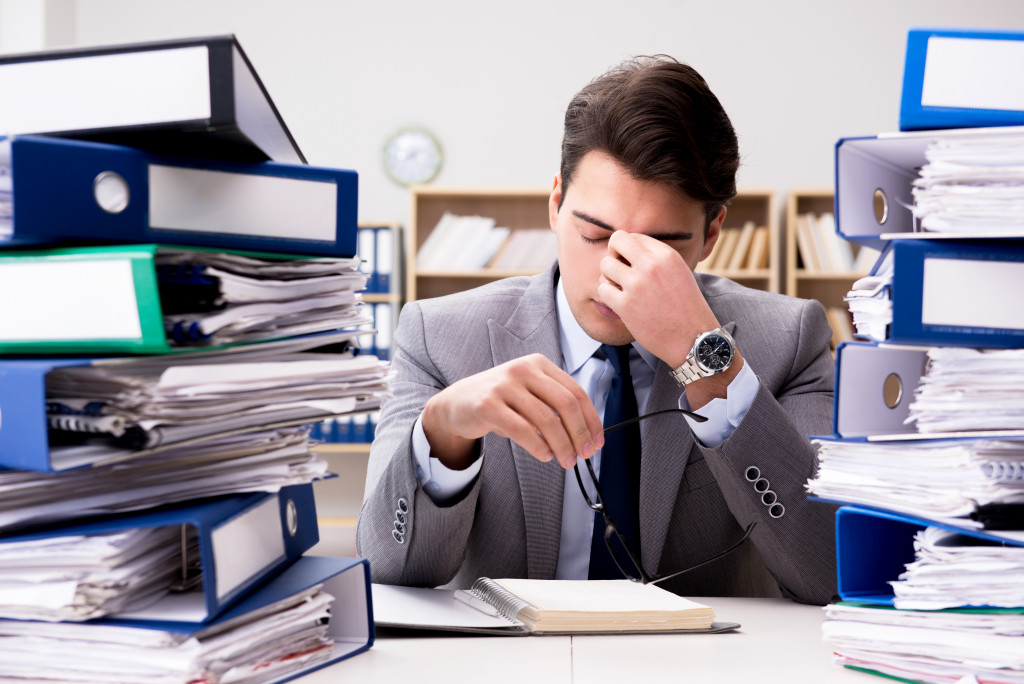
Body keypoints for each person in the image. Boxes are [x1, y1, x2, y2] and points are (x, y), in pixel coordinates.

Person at [356, 55, 838, 605]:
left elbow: (826, 573)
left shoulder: (789, 340)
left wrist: (707, 362)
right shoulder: (438, 336)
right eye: (594, 233)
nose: (618, 273)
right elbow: (387, 572)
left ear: (711, 235)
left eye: (661, 247)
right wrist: (442, 430)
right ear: (557, 204)